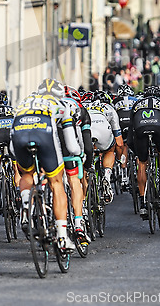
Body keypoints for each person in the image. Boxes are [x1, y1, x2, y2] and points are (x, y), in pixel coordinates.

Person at [11, 78, 76, 251]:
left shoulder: (24, 102)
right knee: (56, 182)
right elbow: (71, 146)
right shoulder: (61, 105)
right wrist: (77, 155)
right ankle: (62, 237)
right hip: (44, 133)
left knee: (26, 174)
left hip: (20, 133)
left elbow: (11, 147)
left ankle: (26, 206)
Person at [127, 85, 160, 219]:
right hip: (159, 129)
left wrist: (136, 151)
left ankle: (143, 203)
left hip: (140, 130)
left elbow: (130, 134)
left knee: (142, 164)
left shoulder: (137, 104)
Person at [62, 86, 93, 245]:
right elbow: (87, 145)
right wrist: (87, 164)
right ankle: (79, 224)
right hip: (70, 145)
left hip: (50, 145)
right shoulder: (80, 109)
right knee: (74, 181)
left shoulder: (52, 105)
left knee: (52, 182)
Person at [84, 90, 123, 204]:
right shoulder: (110, 108)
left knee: (83, 155)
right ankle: (106, 175)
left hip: (87, 130)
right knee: (110, 150)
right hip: (103, 130)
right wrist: (119, 158)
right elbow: (120, 142)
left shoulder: (85, 105)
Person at [112, 84, 137, 188]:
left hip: (120, 123)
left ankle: (123, 173)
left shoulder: (115, 101)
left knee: (124, 145)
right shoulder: (136, 99)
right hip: (133, 123)